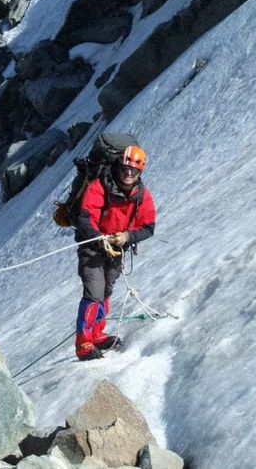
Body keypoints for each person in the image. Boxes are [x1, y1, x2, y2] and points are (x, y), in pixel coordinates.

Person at [74, 145, 156, 360]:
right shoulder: (100, 186)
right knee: (94, 292)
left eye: (133, 171)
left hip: (117, 250)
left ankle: (97, 333)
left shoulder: (141, 195)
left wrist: (127, 237)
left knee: (107, 290)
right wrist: (100, 239)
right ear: (118, 167)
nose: (128, 174)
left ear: (139, 173)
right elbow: (86, 216)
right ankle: (84, 344)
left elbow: (148, 227)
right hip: (92, 248)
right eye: (125, 169)